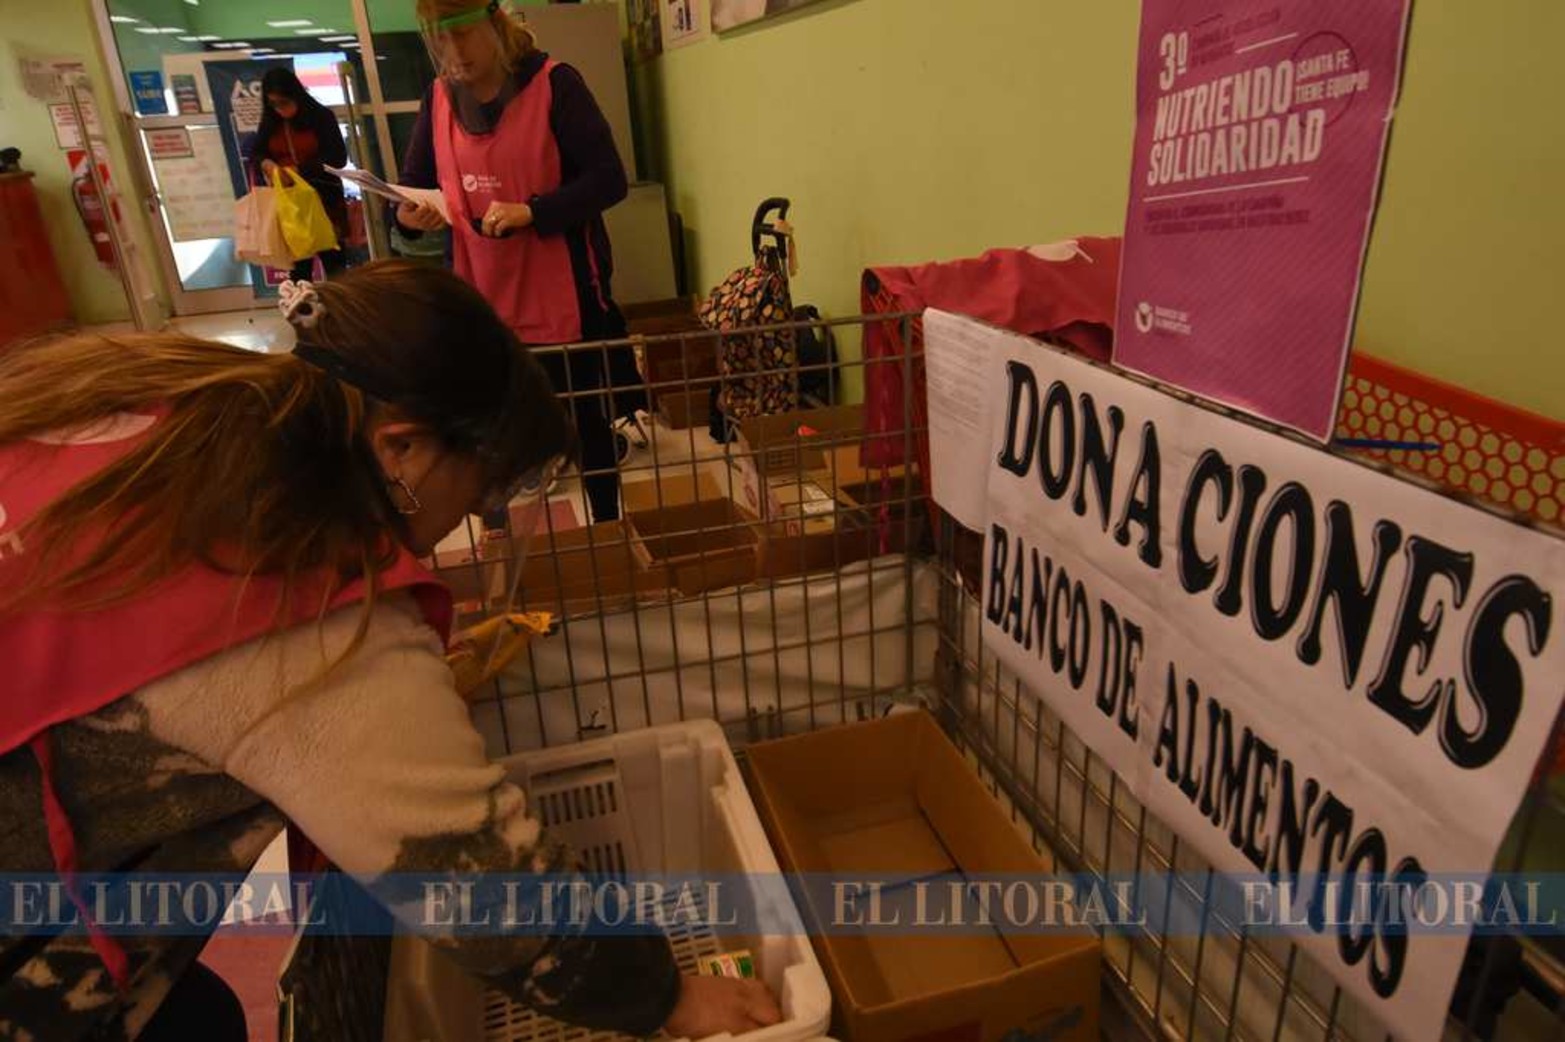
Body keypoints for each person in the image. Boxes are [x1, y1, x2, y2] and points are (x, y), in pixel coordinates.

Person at [0, 260, 781, 1040]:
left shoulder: (169, 404)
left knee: (194, 1011)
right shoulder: (305, 609)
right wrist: (667, 999)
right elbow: (477, 880)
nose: (471, 522)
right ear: (400, 447)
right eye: (480, 495)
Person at [394, 0, 645, 528]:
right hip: (480, 299)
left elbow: (608, 179)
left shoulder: (555, 84)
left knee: (586, 426)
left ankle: (605, 533)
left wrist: (534, 211)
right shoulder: (437, 100)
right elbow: (414, 191)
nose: (454, 51)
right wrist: (414, 216)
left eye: (464, 32)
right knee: (487, 434)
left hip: (564, 298)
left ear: (495, 22)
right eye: (440, 36)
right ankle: (499, 541)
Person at [247, 66, 350, 281]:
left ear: (296, 95)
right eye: (273, 104)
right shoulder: (271, 122)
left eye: (284, 103)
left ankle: (342, 311)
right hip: (289, 204)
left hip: (323, 200)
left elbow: (336, 158)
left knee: (335, 265)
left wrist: (299, 171)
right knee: (299, 270)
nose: (280, 109)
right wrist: (267, 164)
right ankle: (304, 311)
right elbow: (256, 153)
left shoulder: (321, 117)